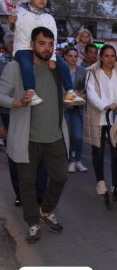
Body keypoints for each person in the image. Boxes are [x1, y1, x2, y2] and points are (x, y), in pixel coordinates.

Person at [0, 26, 69, 242]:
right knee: (27, 184)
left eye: (50, 44)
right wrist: (17, 102)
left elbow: (65, 94)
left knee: (60, 177)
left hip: (55, 136)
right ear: (31, 44)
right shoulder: (16, 67)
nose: (47, 48)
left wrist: (72, 99)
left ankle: (46, 209)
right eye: (42, 43)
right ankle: (32, 223)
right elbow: (0, 95)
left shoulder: (57, 67)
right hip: (27, 138)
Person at [11, 0, 82, 107]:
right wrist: (12, 21)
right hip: (23, 48)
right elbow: (13, 28)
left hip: (44, 51)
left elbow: (53, 38)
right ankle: (30, 91)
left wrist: (53, 58)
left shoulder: (48, 17)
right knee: (26, 63)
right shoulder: (20, 11)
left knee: (63, 65)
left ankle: (69, 92)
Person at [84, 44, 117, 195]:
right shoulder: (92, 72)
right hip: (99, 116)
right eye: (106, 56)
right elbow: (91, 94)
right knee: (98, 150)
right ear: (101, 57)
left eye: (112, 56)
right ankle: (100, 182)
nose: (110, 59)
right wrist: (105, 106)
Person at [63, 47, 88, 173]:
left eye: (75, 56)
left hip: (77, 107)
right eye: (70, 56)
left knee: (77, 136)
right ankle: (71, 161)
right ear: (65, 57)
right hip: (65, 107)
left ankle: (78, 160)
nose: (73, 58)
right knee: (68, 135)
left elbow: (86, 88)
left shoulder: (82, 71)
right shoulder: (61, 70)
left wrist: (80, 94)